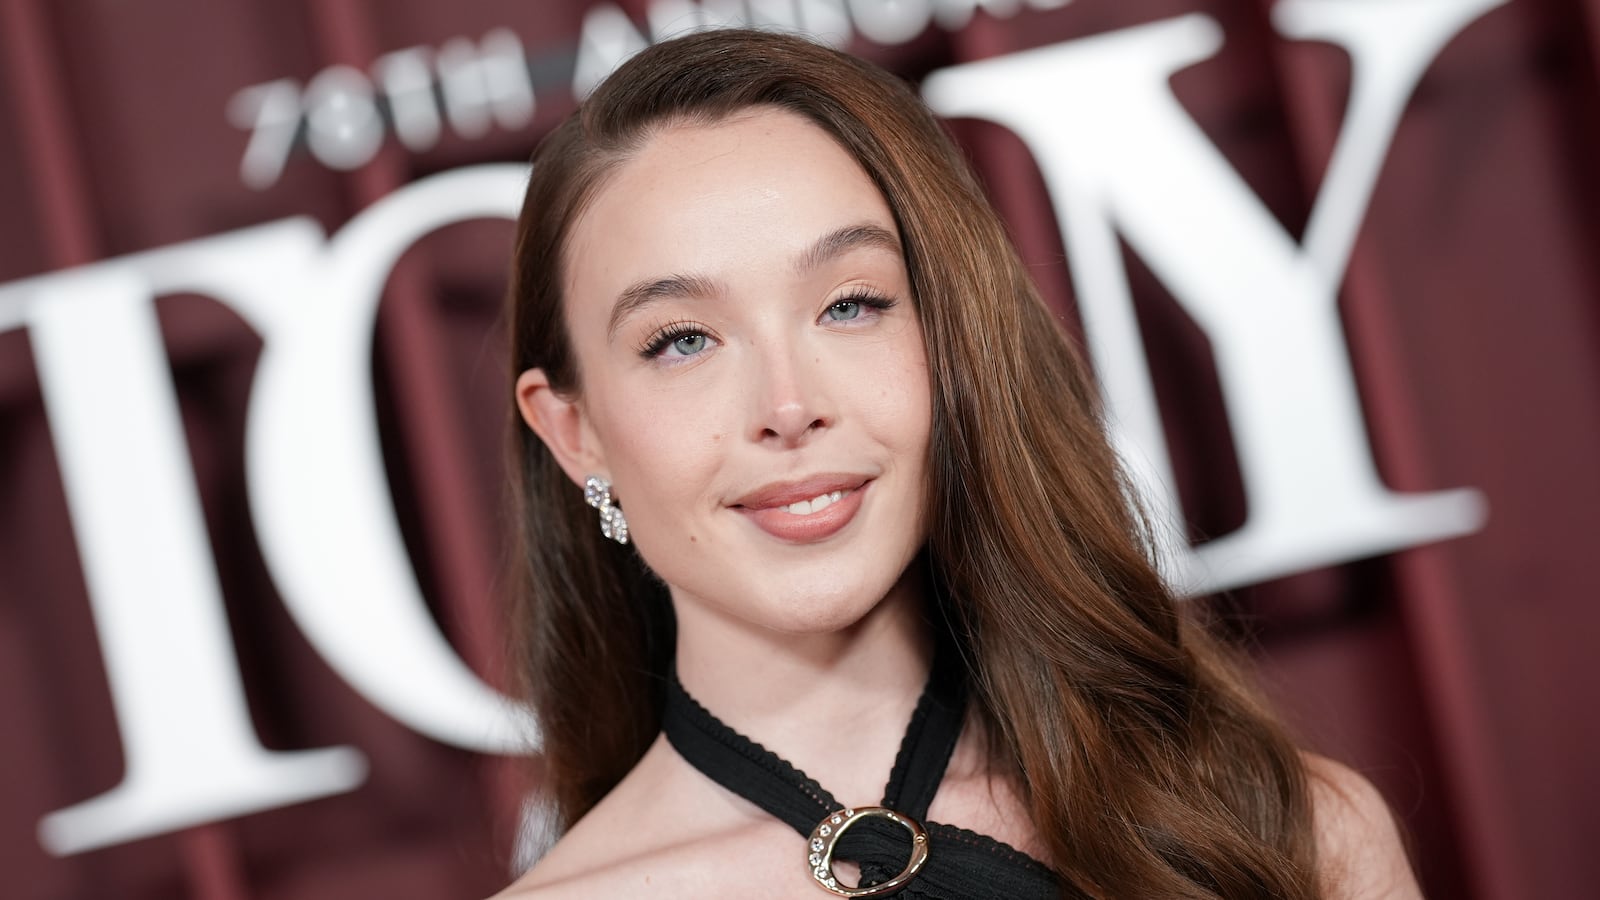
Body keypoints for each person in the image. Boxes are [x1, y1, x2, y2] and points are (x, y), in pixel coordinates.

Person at [493, 27, 1421, 899]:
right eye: (683, 340)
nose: (787, 406)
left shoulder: (1280, 833)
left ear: (953, 343)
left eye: (851, 305)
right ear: (576, 434)